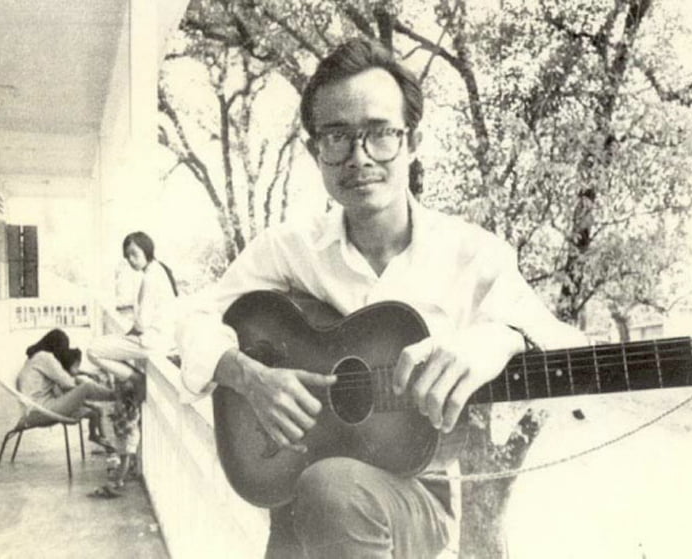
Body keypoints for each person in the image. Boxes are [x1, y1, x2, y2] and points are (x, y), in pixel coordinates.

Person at [176, 39, 588, 558]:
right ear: (314, 151)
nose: (359, 158)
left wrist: (499, 339)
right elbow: (191, 316)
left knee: (335, 489)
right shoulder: (289, 249)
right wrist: (250, 378)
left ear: (411, 142)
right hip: (299, 507)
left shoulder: (472, 255)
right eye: (337, 137)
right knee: (322, 493)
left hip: (415, 494)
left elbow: (564, 347)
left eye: (379, 135)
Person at [87, 231, 179, 382]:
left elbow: (142, 325)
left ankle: (136, 380)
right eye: (127, 256)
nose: (131, 260)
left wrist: (128, 336)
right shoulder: (158, 270)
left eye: (134, 254)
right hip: (164, 340)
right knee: (110, 342)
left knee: (93, 350)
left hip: (153, 342)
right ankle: (132, 380)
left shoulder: (150, 278)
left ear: (147, 250)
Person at [17, 329, 115, 423]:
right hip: (39, 410)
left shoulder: (36, 356)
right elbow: (68, 383)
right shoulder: (45, 357)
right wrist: (81, 384)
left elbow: (61, 375)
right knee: (87, 387)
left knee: (82, 387)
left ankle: (112, 395)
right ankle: (115, 396)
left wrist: (82, 377)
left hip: (34, 408)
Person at [62, 347, 114, 452]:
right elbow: (72, 399)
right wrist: (89, 404)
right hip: (68, 409)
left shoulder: (67, 374)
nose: (77, 369)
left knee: (98, 410)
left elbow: (75, 372)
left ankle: (102, 438)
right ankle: (95, 436)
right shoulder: (65, 381)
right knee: (95, 412)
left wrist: (87, 373)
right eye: (76, 366)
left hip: (74, 404)